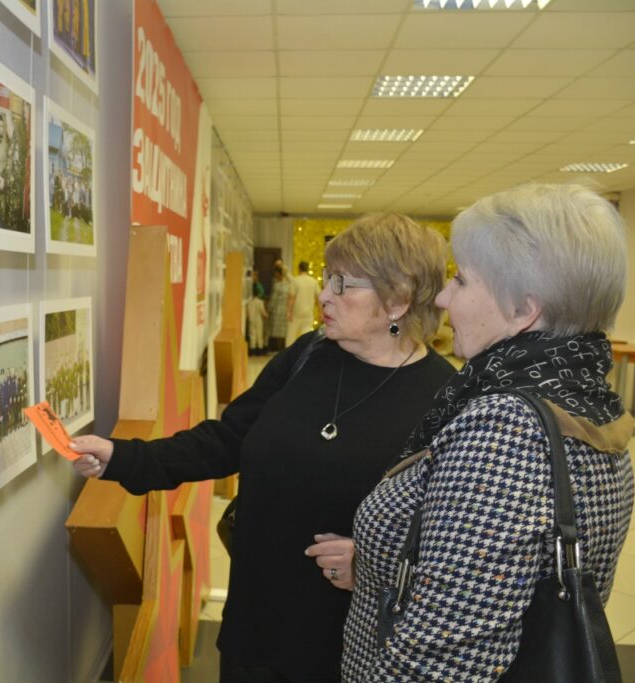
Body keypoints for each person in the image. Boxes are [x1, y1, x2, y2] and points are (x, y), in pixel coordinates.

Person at [69, 214, 456, 682]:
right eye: (326, 278)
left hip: (348, 639)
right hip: (256, 617)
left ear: (397, 300)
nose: (323, 294)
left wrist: (377, 563)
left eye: (342, 283)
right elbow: (230, 438)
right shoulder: (307, 355)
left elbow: (456, 540)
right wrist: (125, 456)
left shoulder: (445, 400)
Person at [340, 183, 634, 682]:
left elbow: (443, 658)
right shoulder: (588, 401)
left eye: (462, 280)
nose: (443, 297)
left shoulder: (505, 431)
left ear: (524, 309)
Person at [287, 261, 320, 346]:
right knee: (307, 336)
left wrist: (289, 312)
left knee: (291, 336)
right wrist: (321, 312)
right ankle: (305, 356)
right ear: (308, 269)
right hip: (308, 313)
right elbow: (319, 298)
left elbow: (291, 298)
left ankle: (289, 357)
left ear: (299, 269)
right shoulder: (314, 281)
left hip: (296, 313)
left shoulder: (295, 281)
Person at [268, 265, 290, 352]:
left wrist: (268, 309)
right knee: (283, 331)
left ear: (279, 274)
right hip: (285, 309)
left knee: (275, 330)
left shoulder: (277, 285)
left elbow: (273, 299)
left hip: (277, 310)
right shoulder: (288, 285)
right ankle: (283, 349)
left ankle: (276, 349)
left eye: (276, 274)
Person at [246, 282, 269, 356]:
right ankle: (259, 351)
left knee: (252, 335)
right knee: (259, 335)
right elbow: (263, 312)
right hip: (259, 320)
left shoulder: (249, 302)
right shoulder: (260, 302)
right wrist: (267, 315)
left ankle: (252, 350)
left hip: (251, 320)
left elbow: (248, 313)